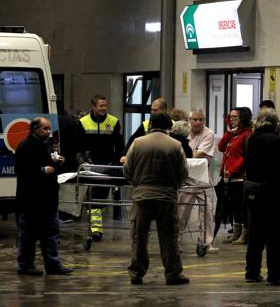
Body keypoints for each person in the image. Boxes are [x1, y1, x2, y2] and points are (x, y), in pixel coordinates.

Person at [123, 112, 190, 285]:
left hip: (142, 197)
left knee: (139, 237)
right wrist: (173, 187)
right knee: (169, 237)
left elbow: (127, 170)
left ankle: (137, 273)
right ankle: (173, 274)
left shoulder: (138, 143)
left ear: (151, 124)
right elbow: (183, 173)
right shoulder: (175, 145)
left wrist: (138, 184)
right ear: (169, 126)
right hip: (166, 197)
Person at [243, 108, 280, 285]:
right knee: (277, 236)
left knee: (256, 234)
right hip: (273, 194)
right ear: (274, 124)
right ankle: (274, 273)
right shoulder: (276, 142)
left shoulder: (251, 140)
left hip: (253, 192)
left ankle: (252, 271)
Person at [15, 117, 73, 275]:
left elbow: (49, 167)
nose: (48, 132)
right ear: (35, 129)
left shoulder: (43, 146)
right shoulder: (25, 147)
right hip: (31, 201)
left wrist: (56, 163)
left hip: (48, 200)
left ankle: (53, 265)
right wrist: (42, 170)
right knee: (28, 236)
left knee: (51, 234)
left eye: (49, 129)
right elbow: (21, 171)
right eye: (45, 129)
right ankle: (26, 265)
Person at [76, 95, 125, 242]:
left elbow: (120, 146)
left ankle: (96, 228)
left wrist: (116, 162)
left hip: (107, 166)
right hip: (89, 166)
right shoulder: (83, 122)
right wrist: (83, 162)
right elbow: (78, 146)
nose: (104, 108)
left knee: (99, 197)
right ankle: (96, 228)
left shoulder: (114, 121)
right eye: (101, 106)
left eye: (105, 105)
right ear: (93, 106)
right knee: (95, 197)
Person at [177, 109, 218, 253]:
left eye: (201, 119)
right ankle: (176, 242)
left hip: (203, 178)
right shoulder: (183, 133)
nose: (198, 122)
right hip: (187, 178)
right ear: (189, 120)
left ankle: (207, 242)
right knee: (182, 210)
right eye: (195, 119)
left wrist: (183, 157)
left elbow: (197, 155)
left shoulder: (209, 134)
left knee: (206, 212)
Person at [218, 107, 252, 245]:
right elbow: (221, 147)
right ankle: (236, 232)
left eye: (234, 117)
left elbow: (244, 156)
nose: (231, 119)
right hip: (229, 177)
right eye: (230, 117)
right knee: (234, 206)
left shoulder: (247, 134)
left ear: (242, 118)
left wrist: (232, 170)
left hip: (239, 176)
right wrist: (228, 132)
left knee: (241, 206)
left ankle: (245, 234)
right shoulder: (233, 134)